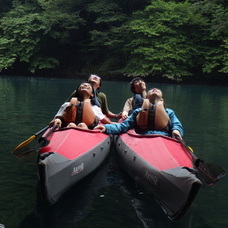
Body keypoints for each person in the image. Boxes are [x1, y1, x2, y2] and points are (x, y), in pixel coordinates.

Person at [95, 88, 183, 139]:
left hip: (164, 138)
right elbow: (122, 126)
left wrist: (176, 130)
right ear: (147, 97)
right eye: (151, 90)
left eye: (157, 90)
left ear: (161, 100)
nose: (154, 89)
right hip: (143, 137)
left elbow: (176, 124)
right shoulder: (138, 112)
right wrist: (105, 127)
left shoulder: (169, 112)